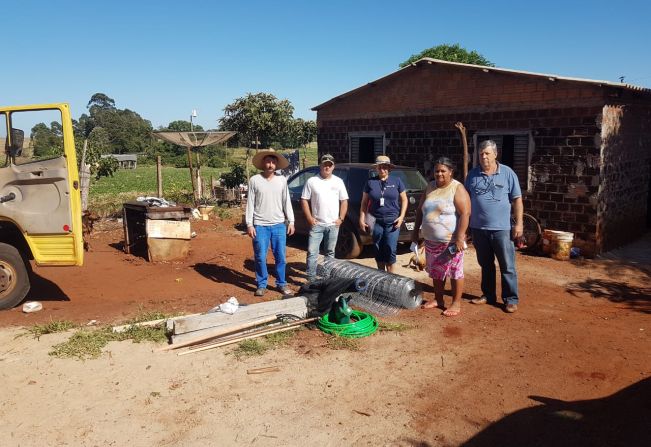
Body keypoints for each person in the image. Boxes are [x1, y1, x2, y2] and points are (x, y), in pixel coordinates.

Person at [465, 140, 523, 313]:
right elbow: (465, 200)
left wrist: (519, 223)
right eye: (481, 154)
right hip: (478, 229)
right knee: (486, 264)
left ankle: (510, 299)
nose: (484, 157)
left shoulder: (507, 173)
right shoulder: (472, 175)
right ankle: (488, 295)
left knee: (507, 266)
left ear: (495, 154)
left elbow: (517, 199)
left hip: (502, 229)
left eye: (487, 153)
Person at [411, 157, 470, 317]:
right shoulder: (430, 186)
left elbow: (465, 213)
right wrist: (416, 232)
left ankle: (456, 303)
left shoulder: (457, 188)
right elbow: (420, 211)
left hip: (451, 241)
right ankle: (438, 299)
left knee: (454, 271)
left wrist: (459, 237)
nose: (439, 174)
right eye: (437, 170)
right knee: (436, 271)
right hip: (431, 240)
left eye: (443, 170)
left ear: (451, 172)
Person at [245, 149, 295, 297]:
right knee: (260, 256)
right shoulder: (255, 180)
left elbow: (287, 202)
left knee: (280, 256)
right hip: (260, 225)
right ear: (263, 163)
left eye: (273, 162)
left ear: (276, 165)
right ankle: (262, 284)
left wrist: (291, 221)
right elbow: (250, 203)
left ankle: (281, 283)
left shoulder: (282, 180)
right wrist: (249, 224)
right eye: (268, 161)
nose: (270, 164)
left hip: (279, 224)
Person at [301, 154, 349, 282]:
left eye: (330, 165)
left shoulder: (338, 181)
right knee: (312, 252)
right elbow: (304, 200)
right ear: (320, 166)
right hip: (317, 224)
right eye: (324, 164)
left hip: (333, 224)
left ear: (333, 167)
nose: (327, 167)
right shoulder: (312, 181)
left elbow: (344, 201)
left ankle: (327, 278)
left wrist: (341, 218)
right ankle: (311, 278)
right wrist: (310, 218)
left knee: (330, 253)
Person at [359, 155, 407, 273]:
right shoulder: (370, 182)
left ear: (389, 168)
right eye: (380, 167)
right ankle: (381, 276)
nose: (382, 169)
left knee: (390, 249)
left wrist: (401, 217)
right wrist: (361, 218)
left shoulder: (397, 181)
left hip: (393, 222)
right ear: (376, 168)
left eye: (385, 167)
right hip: (376, 222)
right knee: (378, 248)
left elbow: (404, 200)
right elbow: (364, 202)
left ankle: (391, 278)